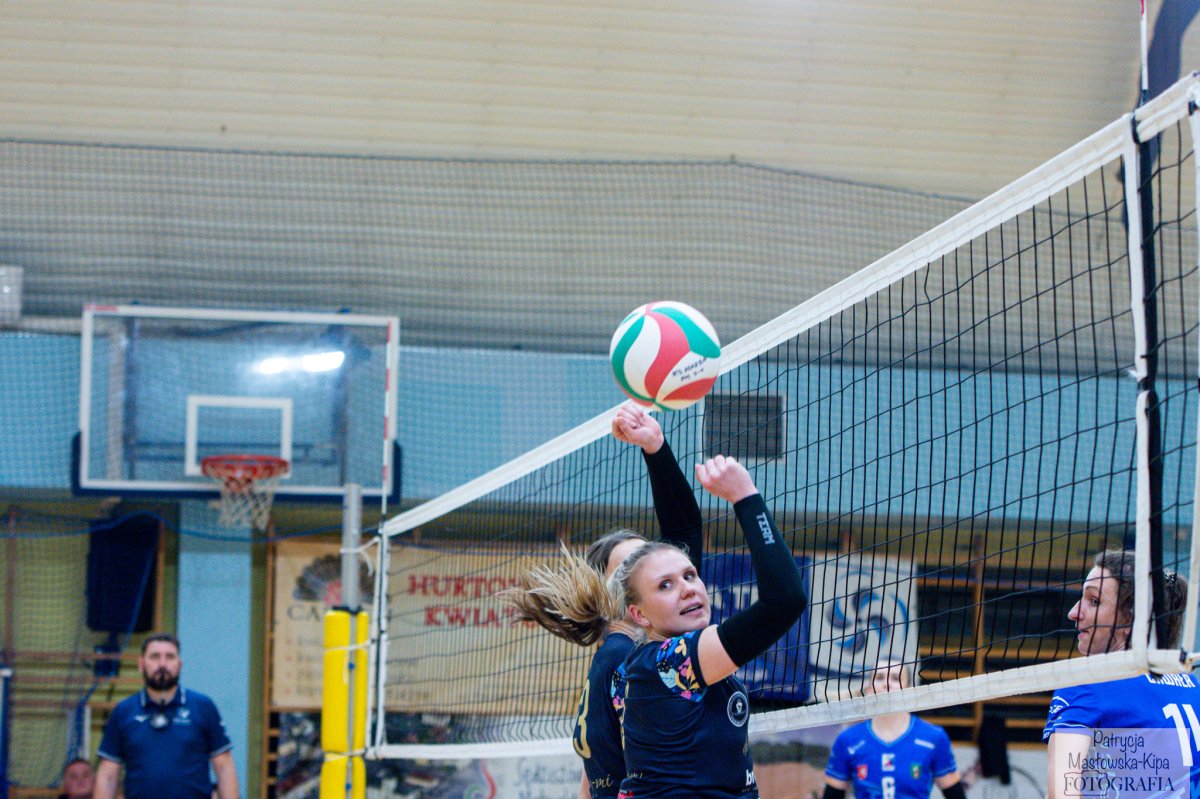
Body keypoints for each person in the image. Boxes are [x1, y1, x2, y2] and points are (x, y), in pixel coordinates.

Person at [502, 402, 704, 799]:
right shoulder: (629, 656)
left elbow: (591, 780)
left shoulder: (617, 655)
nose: (653, 568)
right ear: (613, 594)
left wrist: (655, 448)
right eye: (633, 565)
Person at [613, 454, 807, 798]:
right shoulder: (668, 663)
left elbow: (684, 529)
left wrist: (655, 448)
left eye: (690, 575)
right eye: (665, 585)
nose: (688, 588)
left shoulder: (652, 660)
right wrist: (745, 496)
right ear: (639, 615)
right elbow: (785, 600)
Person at [1043, 549, 1196, 799]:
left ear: (1130, 618)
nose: (1074, 612)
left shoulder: (1086, 682)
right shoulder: (1191, 684)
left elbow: (1061, 793)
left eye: (1094, 601)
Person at [94, 633, 239, 799]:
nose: (162, 664)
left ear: (179, 665)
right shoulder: (123, 711)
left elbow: (224, 768)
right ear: (141, 664)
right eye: (155, 657)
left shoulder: (203, 707)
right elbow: (107, 776)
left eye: (170, 657)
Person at [823, 660, 964, 799]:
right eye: (879, 678)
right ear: (869, 689)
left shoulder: (933, 737)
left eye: (895, 678)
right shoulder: (848, 739)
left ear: (909, 690)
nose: (887, 684)